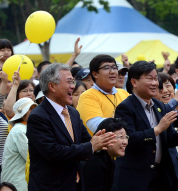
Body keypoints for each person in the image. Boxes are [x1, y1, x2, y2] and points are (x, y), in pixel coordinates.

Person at [26, 63, 115, 191]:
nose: (73, 86)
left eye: (73, 81)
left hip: (76, 184)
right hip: (51, 187)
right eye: (69, 82)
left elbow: (87, 141)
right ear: (52, 86)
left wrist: (105, 142)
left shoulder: (73, 112)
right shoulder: (38, 116)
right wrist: (91, 146)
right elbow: (54, 152)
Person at [112, 61, 178, 191]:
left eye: (155, 79)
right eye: (149, 79)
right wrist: (157, 129)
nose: (154, 83)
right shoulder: (125, 108)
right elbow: (128, 140)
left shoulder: (159, 106)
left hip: (161, 176)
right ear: (134, 82)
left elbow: (169, 139)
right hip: (136, 178)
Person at [76, 55, 130, 135]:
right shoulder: (88, 96)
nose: (112, 71)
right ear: (95, 74)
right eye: (107, 68)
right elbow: (98, 126)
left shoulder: (124, 93)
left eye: (114, 68)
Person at [1, 97, 37, 191]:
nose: (34, 111)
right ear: (22, 113)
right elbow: (32, 157)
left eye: (34, 108)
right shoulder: (20, 131)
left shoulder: (24, 129)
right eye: (30, 109)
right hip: (16, 183)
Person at [83, 118, 128, 191]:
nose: (125, 142)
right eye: (120, 137)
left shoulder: (108, 159)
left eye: (126, 137)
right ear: (104, 137)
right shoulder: (95, 163)